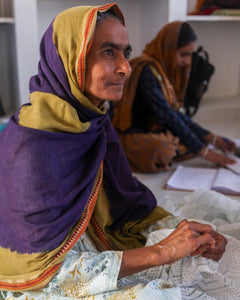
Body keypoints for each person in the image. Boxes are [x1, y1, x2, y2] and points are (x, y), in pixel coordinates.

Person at [0, 4, 239, 299]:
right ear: (71, 57)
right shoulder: (31, 146)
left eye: (125, 52)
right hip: (46, 277)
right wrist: (160, 252)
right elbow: (43, 274)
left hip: (96, 246)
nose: (126, 67)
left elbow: (128, 202)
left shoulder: (93, 121)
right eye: (108, 52)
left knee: (214, 253)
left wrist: (184, 231)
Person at [112, 21, 237, 173]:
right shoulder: (147, 70)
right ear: (169, 49)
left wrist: (212, 137)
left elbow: (174, 113)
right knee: (164, 149)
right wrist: (206, 153)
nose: (187, 61)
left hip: (155, 130)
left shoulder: (163, 69)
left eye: (190, 55)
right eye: (184, 54)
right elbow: (168, 116)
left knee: (189, 140)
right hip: (131, 135)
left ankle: (164, 156)